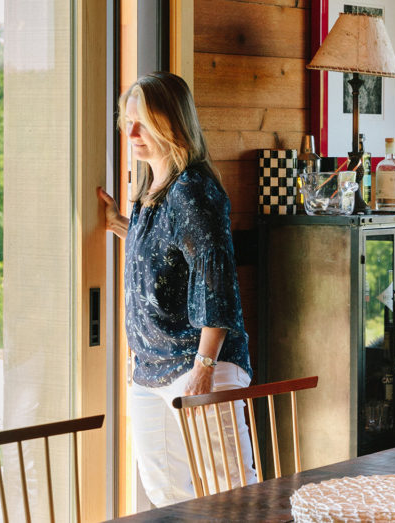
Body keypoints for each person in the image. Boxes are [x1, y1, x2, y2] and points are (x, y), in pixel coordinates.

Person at [96, 71, 256, 506]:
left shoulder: (193, 191)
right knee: (167, 493)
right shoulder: (154, 188)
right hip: (149, 369)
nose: (131, 133)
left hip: (197, 364)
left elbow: (216, 284)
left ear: (173, 123)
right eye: (127, 121)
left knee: (232, 494)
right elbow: (173, 254)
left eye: (143, 123)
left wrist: (204, 368)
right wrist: (122, 227)